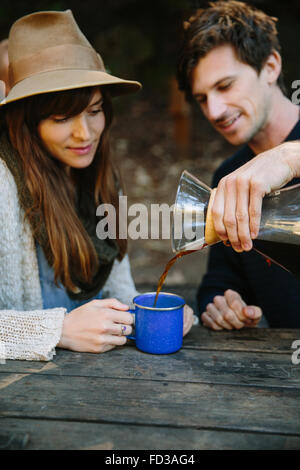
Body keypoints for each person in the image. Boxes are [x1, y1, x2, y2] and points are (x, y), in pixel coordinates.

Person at [0, 10, 194, 361]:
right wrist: (56, 330)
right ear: (27, 122)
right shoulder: (4, 185)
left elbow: (119, 291)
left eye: (94, 110)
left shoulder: (101, 179)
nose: (85, 134)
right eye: (62, 118)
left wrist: (151, 316)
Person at [177, 0, 300, 330]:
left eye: (225, 85)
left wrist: (287, 156)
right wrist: (221, 305)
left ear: (271, 66)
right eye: (202, 98)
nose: (214, 111)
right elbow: (220, 281)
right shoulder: (229, 176)